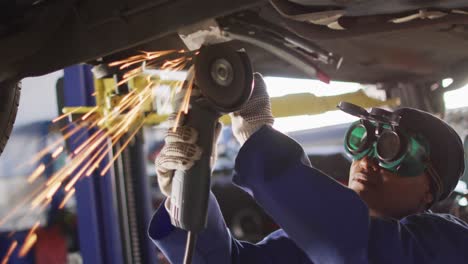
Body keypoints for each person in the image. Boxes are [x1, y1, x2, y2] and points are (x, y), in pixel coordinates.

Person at [149, 73, 468, 263]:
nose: (367, 161)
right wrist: (186, 188)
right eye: (364, 143)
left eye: (390, 150)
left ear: (430, 190)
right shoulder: (309, 244)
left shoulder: (448, 243)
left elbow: (357, 249)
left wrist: (258, 138)